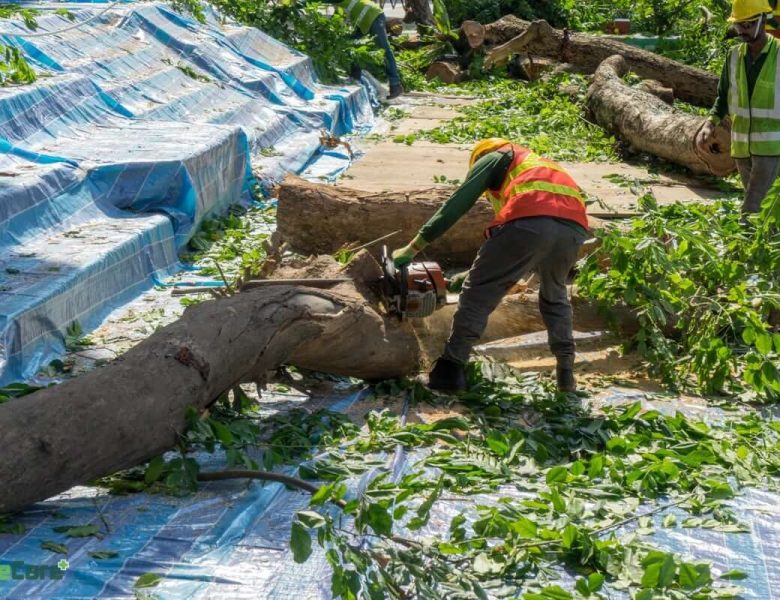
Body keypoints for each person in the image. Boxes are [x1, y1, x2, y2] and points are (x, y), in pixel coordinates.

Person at [392, 138, 589, 393]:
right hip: (574, 231)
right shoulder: (543, 166)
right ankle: (566, 375)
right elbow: (536, 242)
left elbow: (456, 205)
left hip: (529, 220)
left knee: (477, 296)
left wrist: (412, 248)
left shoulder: (496, 155)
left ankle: (449, 370)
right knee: (555, 296)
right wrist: (465, 275)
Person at [696, 0, 780, 214]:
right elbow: (723, 96)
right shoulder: (733, 56)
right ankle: (768, 244)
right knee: (764, 210)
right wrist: (709, 124)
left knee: (753, 206)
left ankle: (742, 243)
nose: (741, 30)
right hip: (741, 148)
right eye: (737, 25)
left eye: (747, 25)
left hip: (771, 148)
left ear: (763, 20)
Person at [322, 0, 404, 99]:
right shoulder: (340, 5)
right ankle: (355, 76)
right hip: (363, 20)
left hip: (373, 16)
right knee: (350, 45)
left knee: (384, 49)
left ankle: (395, 84)